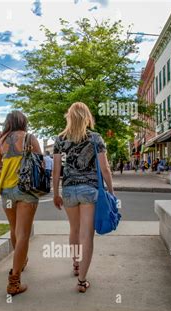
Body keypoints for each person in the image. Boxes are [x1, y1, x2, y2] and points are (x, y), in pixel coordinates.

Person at [52, 102, 114, 293]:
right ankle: (82, 280)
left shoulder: (60, 139)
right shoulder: (96, 138)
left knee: (74, 230)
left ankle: (76, 264)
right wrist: (111, 190)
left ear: (69, 117)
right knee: (87, 234)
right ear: (87, 117)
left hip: (69, 190)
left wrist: (55, 193)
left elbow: (56, 171)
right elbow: (105, 168)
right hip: (90, 190)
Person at [0, 110, 42, 296]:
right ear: (23, 122)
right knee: (23, 234)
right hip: (27, 190)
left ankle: (20, 262)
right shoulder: (30, 138)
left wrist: (6, 176)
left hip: (7, 191)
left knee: (14, 229)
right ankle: (14, 282)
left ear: (8, 122)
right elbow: (41, 164)